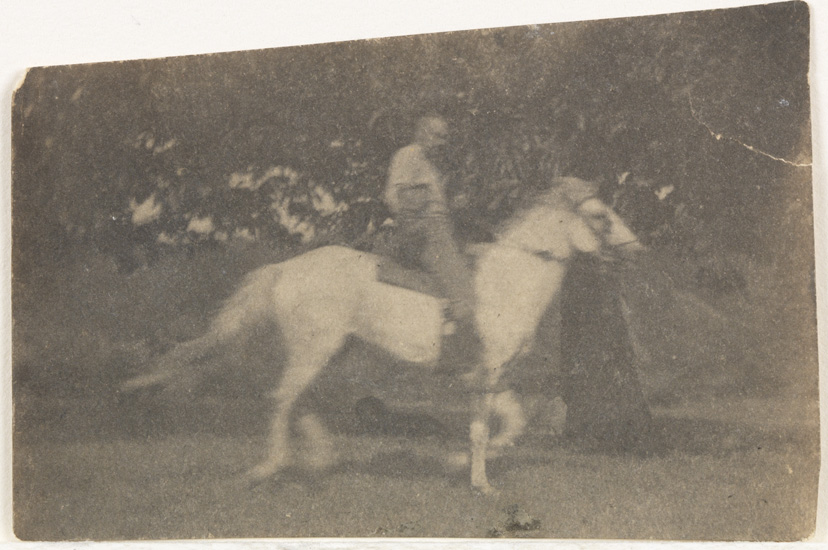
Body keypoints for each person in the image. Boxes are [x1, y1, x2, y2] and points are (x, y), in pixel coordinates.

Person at [384, 115, 481, 370]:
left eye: (444, 137)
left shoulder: (428, 164)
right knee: (464, 292)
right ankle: (456, 357)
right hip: (426, 231)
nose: (442, 142)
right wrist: (421, 213)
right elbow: (395, 196)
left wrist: (452, 206)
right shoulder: (410, 155)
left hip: (439, 228)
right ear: (422, 132)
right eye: (437, 135)